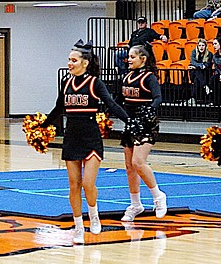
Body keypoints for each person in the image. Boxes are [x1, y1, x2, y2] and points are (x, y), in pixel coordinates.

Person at [36, 40, 130, 244]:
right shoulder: (66, 83)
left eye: (73, 60)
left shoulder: (95, 83)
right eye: (69, 60)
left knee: (88, 183)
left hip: (91, 137)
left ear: (85, 63)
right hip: (71, 137)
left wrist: (129, 121)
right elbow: (58, 108)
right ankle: (78, 226)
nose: (69, 63)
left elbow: (112, 104)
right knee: (73, 185)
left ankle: (94, 215)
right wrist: (41, 125)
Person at [118, 45, 168, 222]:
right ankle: (136, 204)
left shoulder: (149, 78)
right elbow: (119, 100)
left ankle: (158, 196)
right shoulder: (127, 77)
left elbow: (158, 98)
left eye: (132, 56)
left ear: (143, 59)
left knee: (138, 161)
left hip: (146, 124)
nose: (129, 59)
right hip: (131, 124)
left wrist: (150, 111)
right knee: (129, 167)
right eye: (128, 56)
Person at [189, 39, 213, 105]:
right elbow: (193, 62)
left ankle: (193, 98)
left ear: (205, 46)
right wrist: (200, 65)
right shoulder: (194, 52)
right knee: (197, 71)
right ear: (197, 46)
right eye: (199, 45)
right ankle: (205, 86)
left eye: (203, 45)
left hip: (205, 74)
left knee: (197, 80)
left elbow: (207, 64)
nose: (201, 47)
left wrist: (196, 66)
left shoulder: (209, 54)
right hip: (194, 74)